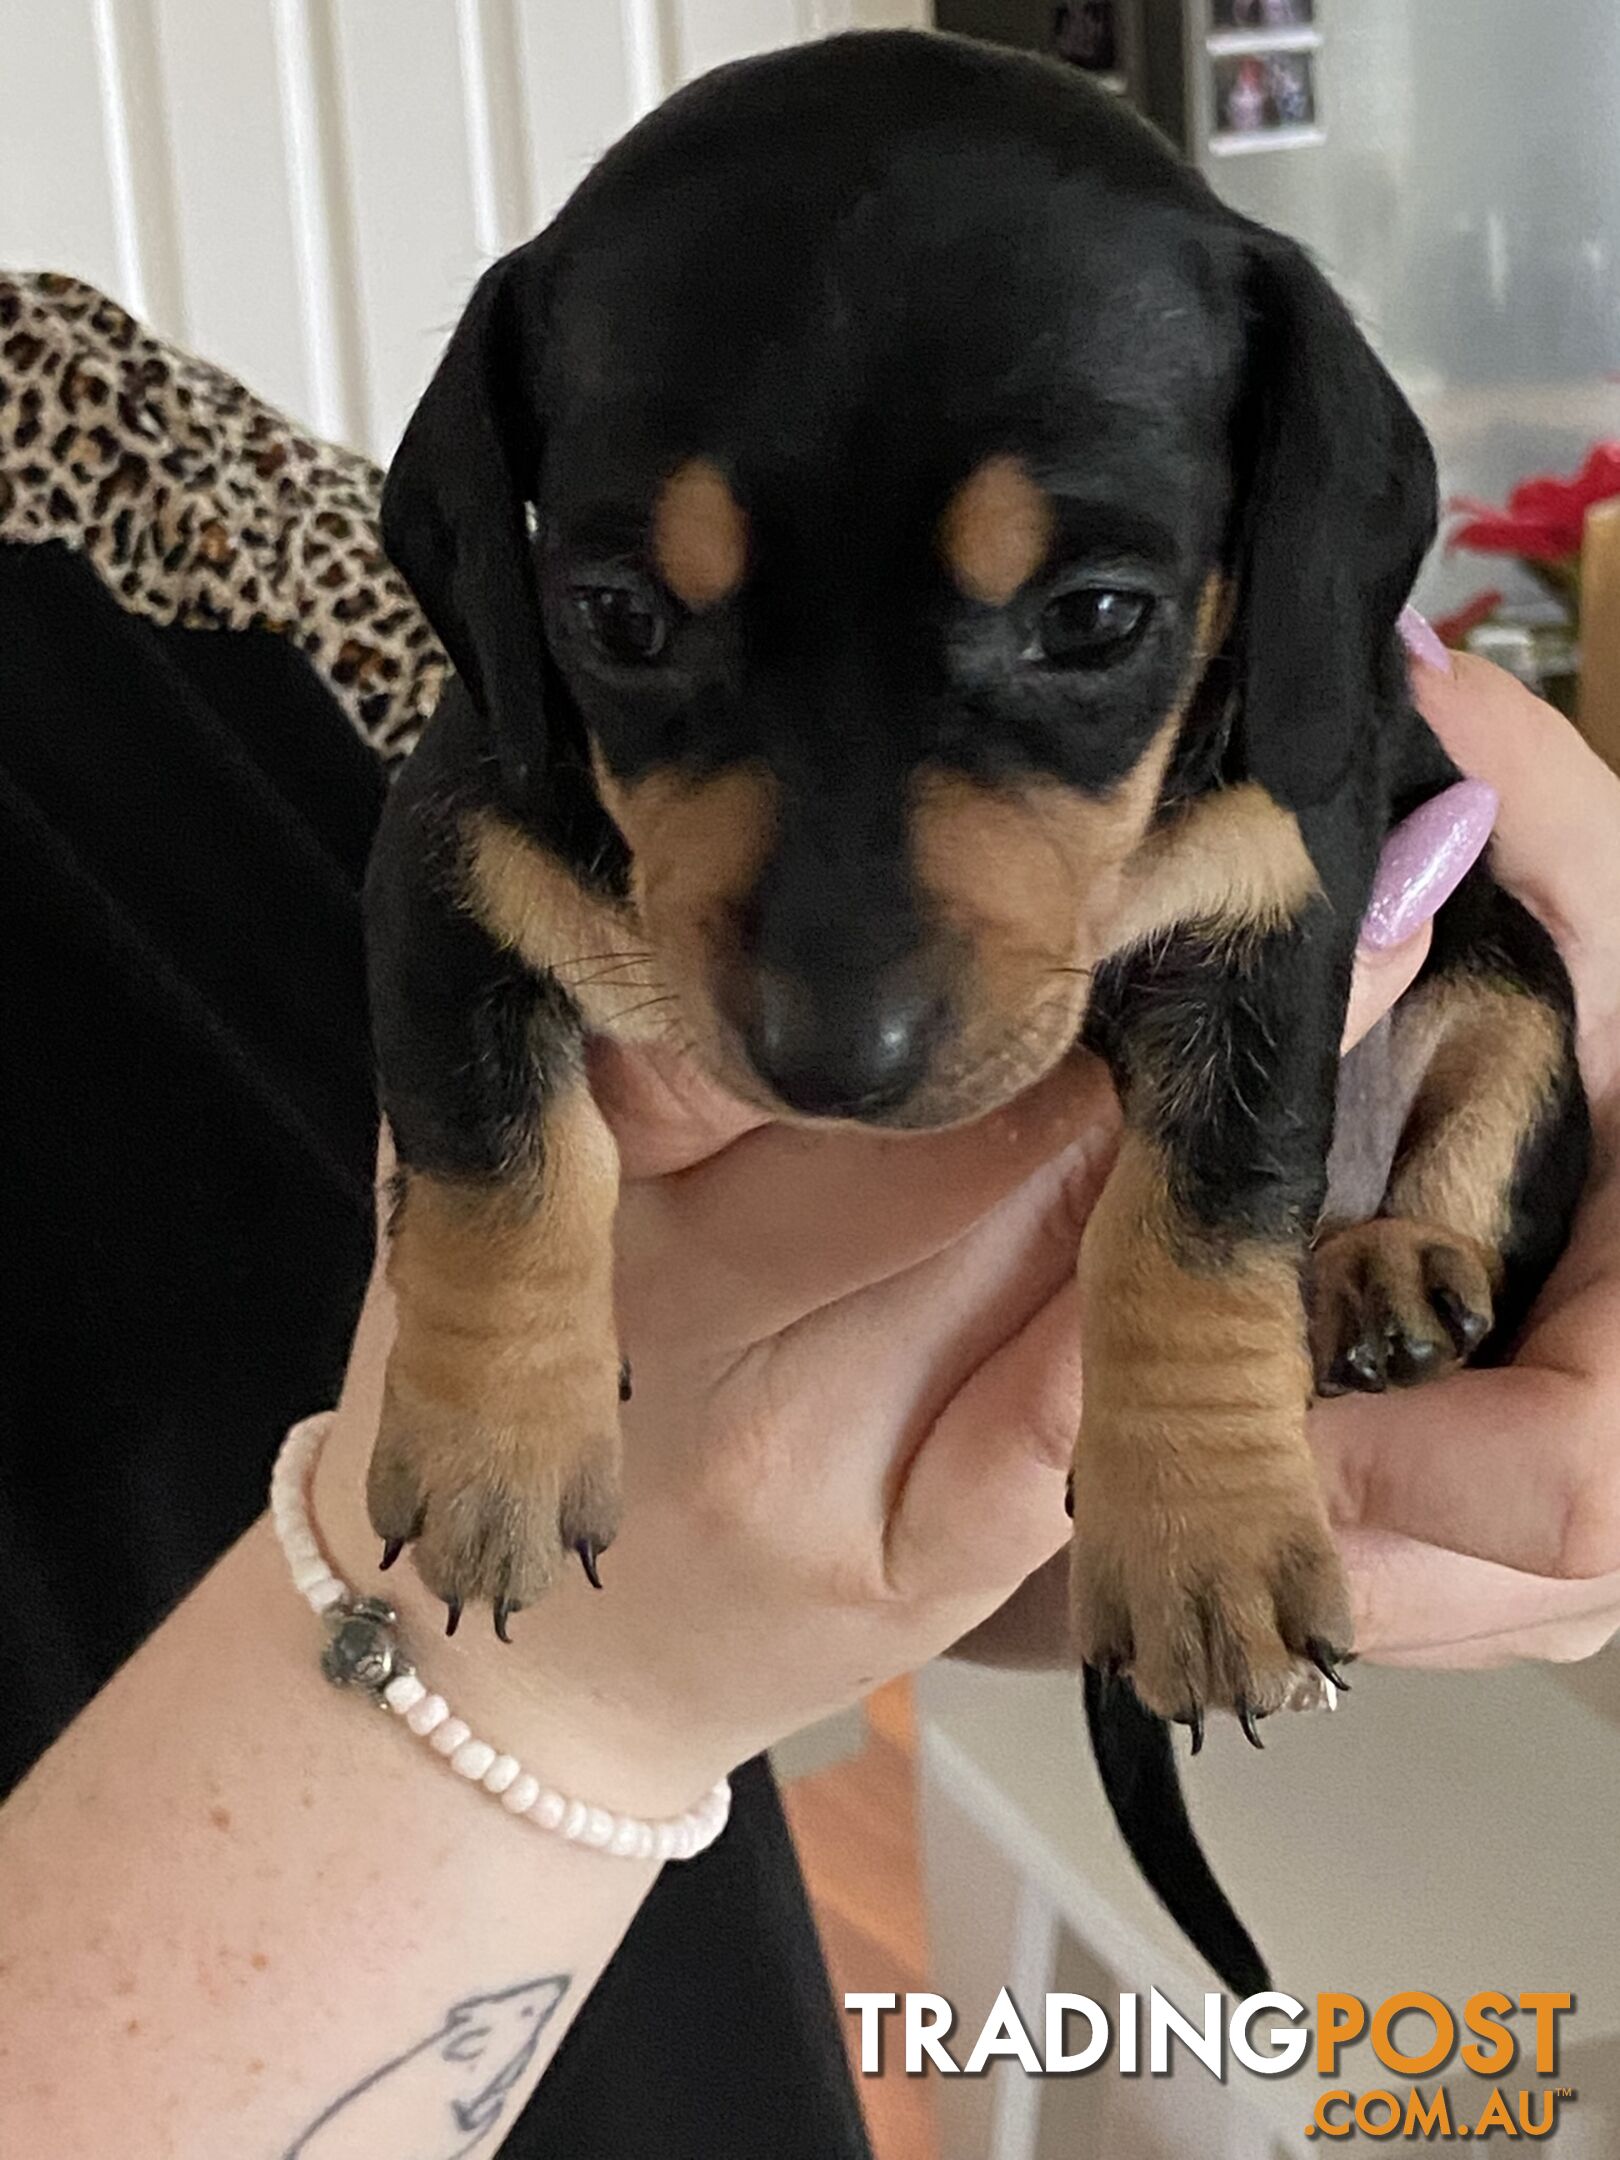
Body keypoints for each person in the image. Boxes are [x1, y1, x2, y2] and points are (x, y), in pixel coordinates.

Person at [5, 276, 1620, 2158]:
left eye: (1095, 618)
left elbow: (766, 1271)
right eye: (626, 620)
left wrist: (1005, 1479)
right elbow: (483, 923)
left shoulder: (88, 424)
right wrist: (535, 1701)